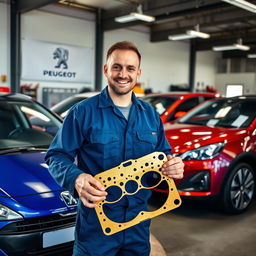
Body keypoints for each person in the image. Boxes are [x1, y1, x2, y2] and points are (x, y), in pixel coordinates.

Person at [45, 41, 184, 256]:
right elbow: (56, 156)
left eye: (130, 68)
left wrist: (172, 166)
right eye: (117, 67)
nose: (123, 74)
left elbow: (162, 156)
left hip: (138, 223)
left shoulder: (150, 115)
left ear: (138, 73)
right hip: (96, 227)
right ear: (106, 69)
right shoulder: (82, 113)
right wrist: (77, 178)